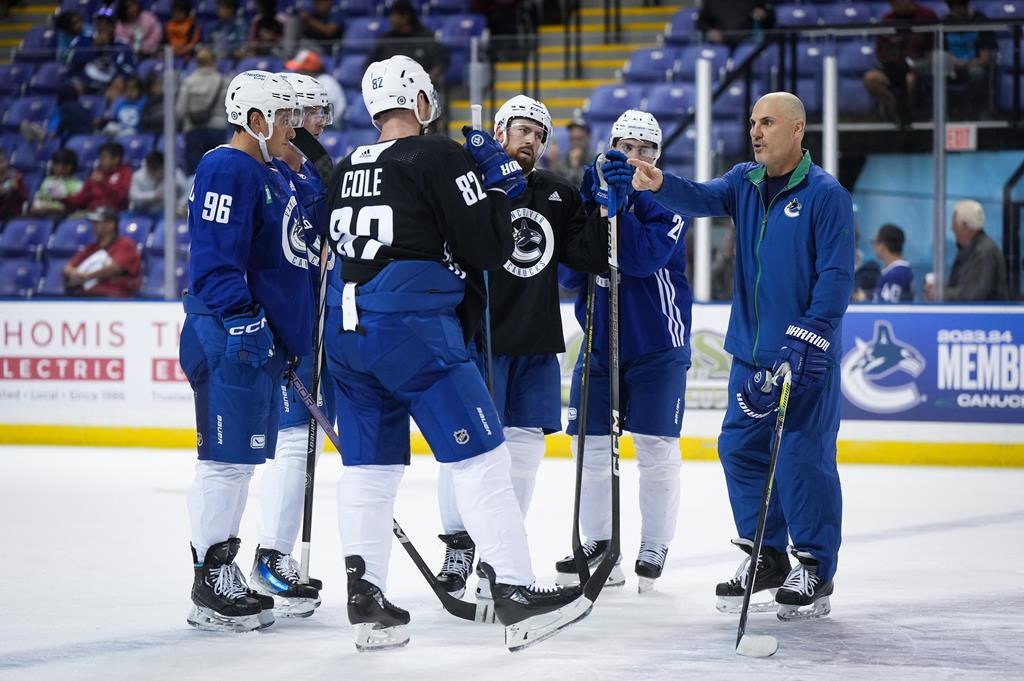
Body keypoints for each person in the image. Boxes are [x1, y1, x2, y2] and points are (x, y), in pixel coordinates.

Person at [322, 55, 587, 651]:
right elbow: (489, 247)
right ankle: (516, 592)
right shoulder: (439, 154)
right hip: (411, 328)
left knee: (369, 470)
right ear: (417, 101)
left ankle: (366, 600)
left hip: (345, 331)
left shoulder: (343, 167)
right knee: (484, 457)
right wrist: (493, 183)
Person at [631, 92, 854, 621]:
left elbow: (836, 276)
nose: (756, 131)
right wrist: (659, 183)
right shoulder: (744, 182)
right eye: (753, 122)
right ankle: (768, 555)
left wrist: (808, 337)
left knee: (803, 456)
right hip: (750, 355)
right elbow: (701, 198)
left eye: (768, 122)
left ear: (798, 129)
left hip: (804, 356)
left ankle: (815, 567)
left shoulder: (826, 195)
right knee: (739, 450)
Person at [433, 94, 608, 599]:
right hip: (479, 338)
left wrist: (602, 206)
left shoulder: (558, 192)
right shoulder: (472, 186)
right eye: (520, 130)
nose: (529, 140)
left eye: (538, 134)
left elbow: (589, 258)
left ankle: (498, 555)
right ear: (500, 131)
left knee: (525, 452)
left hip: (534, 341)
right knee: (466, 449)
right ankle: (459, 545)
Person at [178, 70, 313, 632]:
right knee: (225, 462)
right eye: (284, 120)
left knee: (242, 462)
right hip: (229, 334)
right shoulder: (227, 167)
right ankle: (211, 578)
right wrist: (241, 318)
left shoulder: (270, 172)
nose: (294, 130)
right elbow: (214, 258)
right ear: (255, 120)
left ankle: (221, 569)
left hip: (259, 342)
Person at [556, 110, 692, 593]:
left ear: (658, 156)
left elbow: (641, 259)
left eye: (646, 149)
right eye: (627, 148)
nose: (635, 158)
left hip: (658, 344)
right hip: (598, 343)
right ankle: (599, 543)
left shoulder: (669, 203)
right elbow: (569, 274)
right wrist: (596, 212)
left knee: (656, 450)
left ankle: (654, 542)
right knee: (589, 447)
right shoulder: (587, 198)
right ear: (611, 148)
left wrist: (621, 208)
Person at [246, 71, 337, 618]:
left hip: (311, 328)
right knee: (291, 442)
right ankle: (269, 556)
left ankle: (274, 558)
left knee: (305, 443)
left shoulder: (306, 178)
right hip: (280, 334)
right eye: (310, 114)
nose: (320, 124)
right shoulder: (269, 177)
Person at [863, 0, 939, 128]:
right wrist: (890, 58)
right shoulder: (887, 19)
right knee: (870, 79)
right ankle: (896, 107)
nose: (895, 6)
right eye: (892, 4)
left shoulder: (927, 15)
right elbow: (881, 50)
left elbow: (937, 44)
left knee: (910, 80)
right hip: (893, 67)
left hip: (919, 67)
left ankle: (908, 114)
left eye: (897, 2)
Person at [924, 199, 1008, 301]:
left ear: (964, 225)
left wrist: (941, 294)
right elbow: (964, 287)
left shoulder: (984, 252)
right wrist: (941, 288)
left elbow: (973, 295)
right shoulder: (970, 250)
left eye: (954, 222)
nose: (952, 227)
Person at [61, 206, 142, 297]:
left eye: (98, 222)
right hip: (86, 296)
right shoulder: (92, 248)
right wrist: (75, 274)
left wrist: (88, 275)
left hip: (115, 298)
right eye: (94, 223)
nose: (94, 226)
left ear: (111, 224)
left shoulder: (125, 244)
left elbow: (115, 268)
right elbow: (67, 268)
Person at [364, 0, 449, 87]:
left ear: (406, 16)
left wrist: (427, 83)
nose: (391, 19)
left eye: (394, 15)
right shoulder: (386, 39)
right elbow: (368, 65)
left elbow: (441, 62)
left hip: (419, 90)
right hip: (389, 89)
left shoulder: (426, 37)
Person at [175, 47, 228, 176]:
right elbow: (228, 106)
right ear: (214, 61)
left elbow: (180, 110)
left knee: (195, 171)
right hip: (217, 128)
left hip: (193, 130)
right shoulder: (222, 81)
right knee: (218, 170)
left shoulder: (189, 82)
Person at [65, 6, 136, 101]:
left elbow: (129, 70)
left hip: (109, 85)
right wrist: (93, 48)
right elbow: (69, 60)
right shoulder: (81, 40)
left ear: (114, 26)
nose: (103, 28)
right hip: (85, 83)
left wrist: (118, 77)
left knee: (119, 83)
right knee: (73, 86)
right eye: (99, 24)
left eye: (107, 24)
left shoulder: (123, 45)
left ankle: (109, 115)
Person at [943, 0, 997, 119]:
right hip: (951, 66)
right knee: (934, 70)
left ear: (966, 6)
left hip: (975, 65)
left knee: (976, 73)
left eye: (959, 8)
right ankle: (940, 113)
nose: (956, 12)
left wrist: (964, 63)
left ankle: (975, 111)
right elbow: (940, 53)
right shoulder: (945, 23)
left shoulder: (981, 21)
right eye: (953, 8)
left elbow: (985, 58)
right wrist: (953, 62)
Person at [62, 141, 132, 214]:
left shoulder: (125, 172)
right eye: (100, 158)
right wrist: (63, 197)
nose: (100, 161)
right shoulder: (97, 173)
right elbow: (82, 199)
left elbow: (121, 198)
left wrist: (102, 184)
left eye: (104, 157)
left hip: (112, 214)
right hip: (92, 212)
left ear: (116, 158)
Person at [285, 49, 346, 127]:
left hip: (331, 126)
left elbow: (323, 110)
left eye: (300, 69)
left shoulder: (326, 81)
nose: (297, 72)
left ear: (308, 70)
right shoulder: (304, 82)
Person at [129, 150, 189, 216]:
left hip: (166, 212)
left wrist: (180, 205)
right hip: (143, 212)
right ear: (150, 169)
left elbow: (187, 192)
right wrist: (153, 196)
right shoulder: (138, 176)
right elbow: (134, 196)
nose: (162, 173)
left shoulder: (175, 174)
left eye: (163, 169)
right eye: (159, 171)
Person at [865, 223, 914, 303]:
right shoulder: (900, 271)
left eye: (875, 242)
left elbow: (889, 308)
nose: (874, 246)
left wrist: (864, 300)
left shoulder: (896, 274)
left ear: (882, 245)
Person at [697, 0, 775, 49]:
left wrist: (764, 15)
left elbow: (770, 17)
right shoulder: (711, 2)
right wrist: (710, 32)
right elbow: (701, 23)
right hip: (720, 43)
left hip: (747, 42)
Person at [30, 148, 84, 218]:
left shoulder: (78, 185)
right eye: (57, 165)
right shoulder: (48, 181)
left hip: (61, 214)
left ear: (72, 166)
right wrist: (36, 206)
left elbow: (72, 206)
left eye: (64, 166)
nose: (60, 169)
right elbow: (40, 197)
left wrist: (48, 209)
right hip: (42, 210)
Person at [547, 120, 591, 187]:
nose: (575, 143)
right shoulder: (566, 157)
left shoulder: (594, 159)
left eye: (579, 139)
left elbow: (586, 184)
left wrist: (575, 166)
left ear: (588, 138)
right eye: (572, 139)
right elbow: (559, 183)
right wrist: (553, 163)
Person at [0, 148, 27, 219]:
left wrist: (16, 189)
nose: (1, 165)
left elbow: (24, 197)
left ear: (7, 161)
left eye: (2, 161)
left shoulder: (16, 176)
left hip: (12, 214)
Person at [711, 228, 735, 301]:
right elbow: (711, 275)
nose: (728, 246)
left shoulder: (735, 262)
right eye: (727, 243)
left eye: (730, 244)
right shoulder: (718, 260)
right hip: (719, 299)